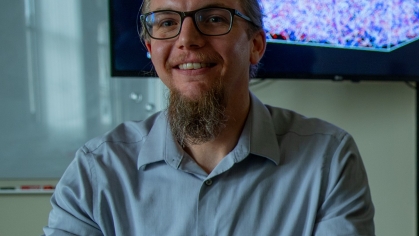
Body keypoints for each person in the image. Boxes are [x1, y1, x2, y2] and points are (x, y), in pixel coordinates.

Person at [43, 0, 375, 235]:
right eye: (167, 22)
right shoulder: (97, 170)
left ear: (256, 44)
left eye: (214, 18)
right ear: (149, 48)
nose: (186, 39)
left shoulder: (328, 160)